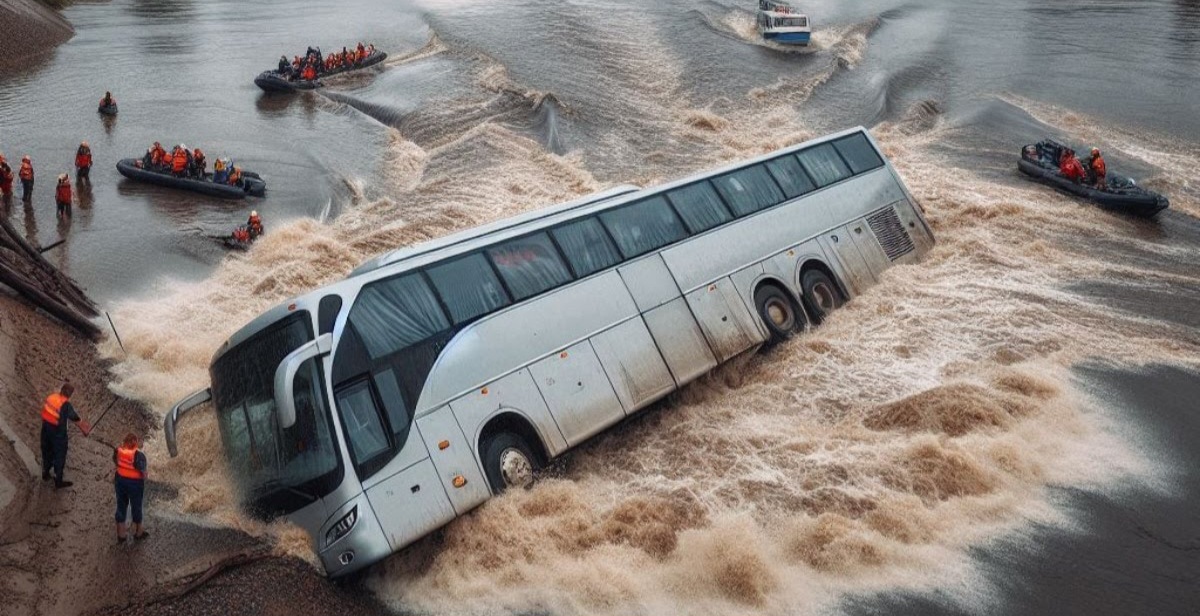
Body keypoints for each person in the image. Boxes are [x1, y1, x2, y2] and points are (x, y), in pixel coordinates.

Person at [40, 383, 83, 489]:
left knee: (47, 451)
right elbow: (74, 417)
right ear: (69, 395)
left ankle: (45, 472)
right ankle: (58, 480)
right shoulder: (65, 405)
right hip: (58, 434)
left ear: (61, 390)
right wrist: (83, 425)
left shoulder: (51, 397)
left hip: (45, 429)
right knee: (59, 455)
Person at [113, 433, 149, 543]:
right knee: (136, 506)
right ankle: (138, 532)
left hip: (120, 481)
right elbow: (142, 470)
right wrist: (144, 474)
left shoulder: (118, 451)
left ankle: (121, 535)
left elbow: (115, 461)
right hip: (135, 484)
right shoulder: (138, 455)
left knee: (121, 506)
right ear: (135, 442)